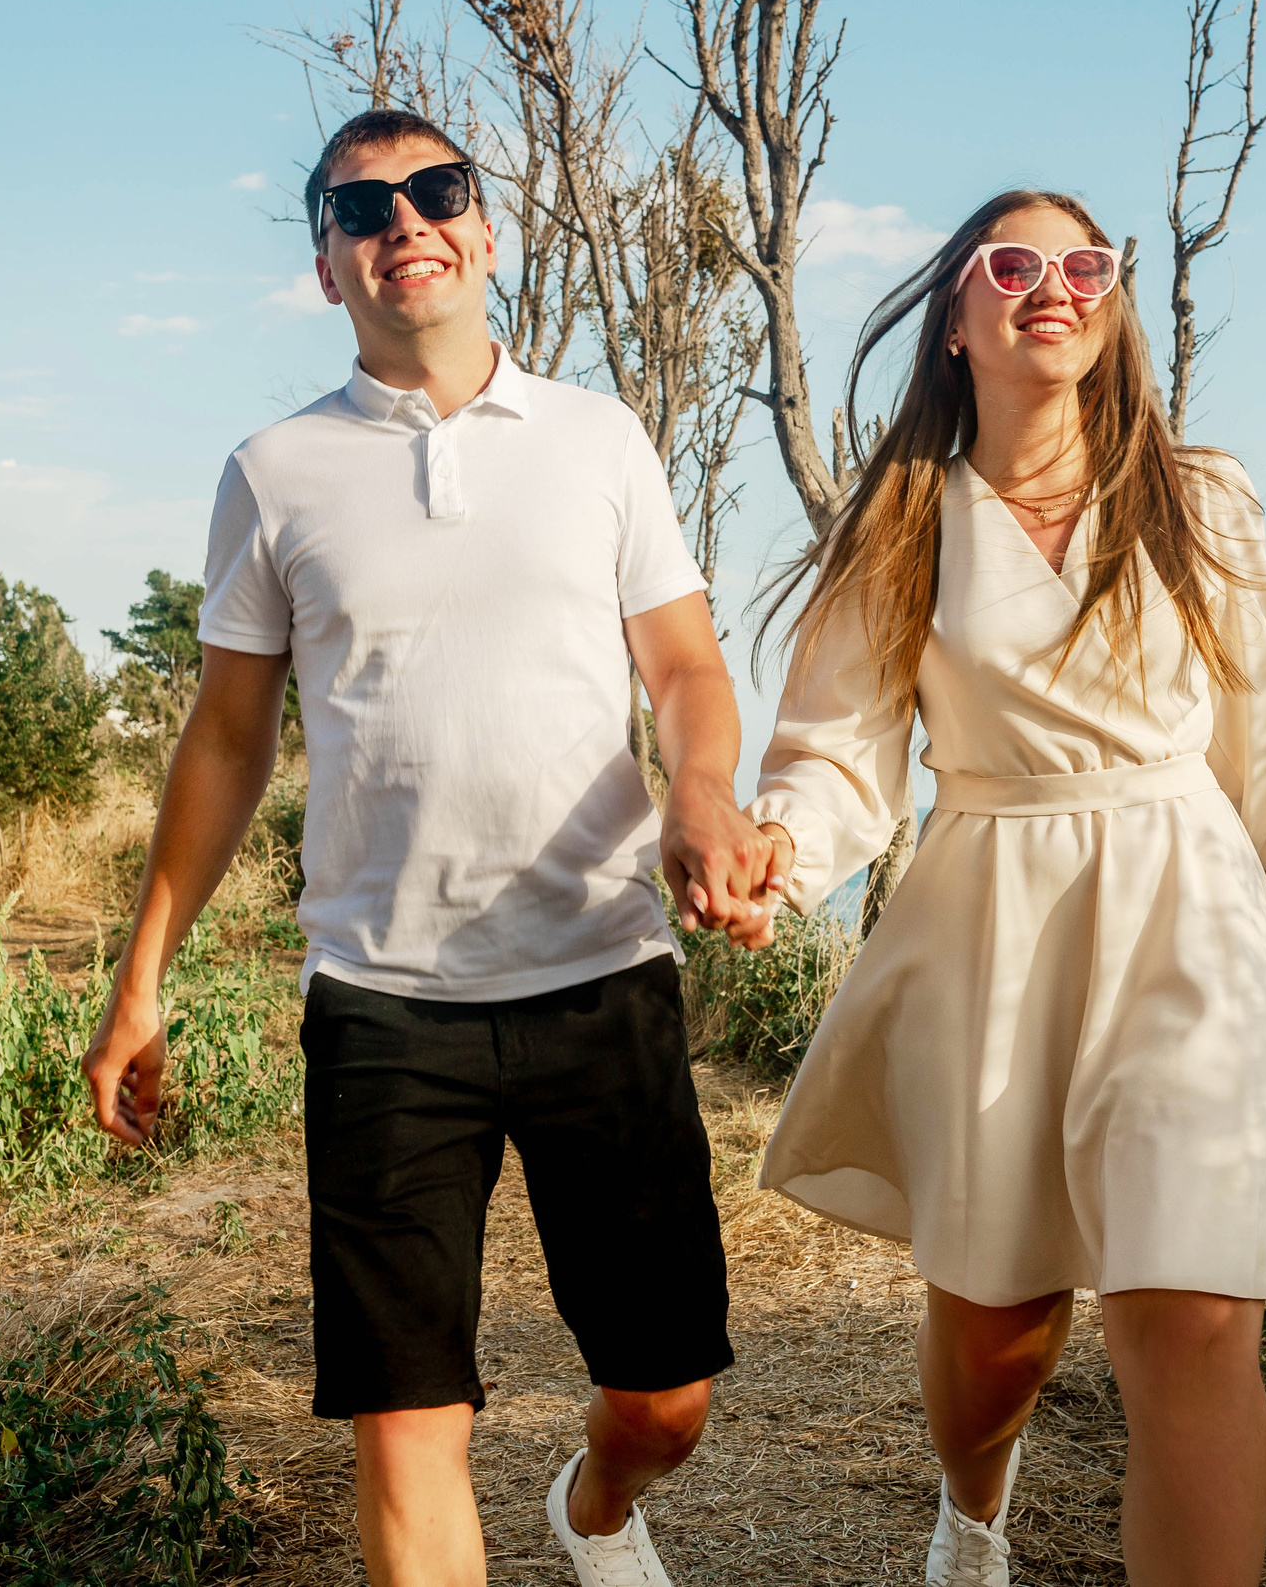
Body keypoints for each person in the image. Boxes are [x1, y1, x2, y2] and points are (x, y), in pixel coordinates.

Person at [80, 108, 771, 1587]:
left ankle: (594, 1509)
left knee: (668, 1398)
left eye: (436, 192)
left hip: (602, 974)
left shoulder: (600, 439)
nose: (406, 224)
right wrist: (143, 975)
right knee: (407, 1422)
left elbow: (691, 674)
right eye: (362, 208)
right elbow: (224, 740)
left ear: (486, 227)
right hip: (384, 1004)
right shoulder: (275, 473)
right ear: (327, 266)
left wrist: (702, 795)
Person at [728, 189, 1266, 1587]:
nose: (1053, 285)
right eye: (1011, 264)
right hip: (990, 925)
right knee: (993, 1333)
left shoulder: (1200, 499)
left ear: (1115, 301)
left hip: (1188, 909)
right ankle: (975, 1512)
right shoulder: (902, 516)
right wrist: (776, 859)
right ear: (957, 318)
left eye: (1085, 263)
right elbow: (839, 756)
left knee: (1193, 1316)